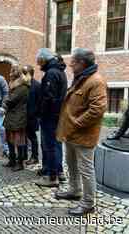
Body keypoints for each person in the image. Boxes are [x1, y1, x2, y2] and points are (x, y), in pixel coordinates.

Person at [55, 48, 107, 216]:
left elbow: (97, 109)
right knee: (71, 164)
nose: (70, 65)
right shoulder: (81, 78)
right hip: (71, 133)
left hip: (83, 135)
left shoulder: (95, 81)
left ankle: (88, 203)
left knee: (86, 169)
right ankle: (74, 190)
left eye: (74, 62)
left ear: (82, 63)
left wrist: (77, 123)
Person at [34, 48, 68, 187]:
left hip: (50, 117)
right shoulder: (59, 71)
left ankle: (51, 177)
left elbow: (49, 98)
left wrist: (42, 113)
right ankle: (58, 171)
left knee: (50, 146)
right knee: (56, 144)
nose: (38, 64)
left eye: (39, 61)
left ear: (44, 59)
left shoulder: (51, 73)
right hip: (57, 115)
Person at [3, 64, 30, 171]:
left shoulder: (22, 87)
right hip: (11, 116)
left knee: (18, 141)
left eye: (13, 71)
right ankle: (12, 160)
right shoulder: (14, 86)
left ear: (17, 74)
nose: (10, 73)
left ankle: (20, 163)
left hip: (18, 116)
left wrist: (5, 100)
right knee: (9, 140)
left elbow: (11, 100)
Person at [22, 65, 41, 165]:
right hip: (23, 116)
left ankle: (35, 157)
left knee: (32, 137)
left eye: (24, 73)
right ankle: (23, 155)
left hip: (32, 117)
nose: (22, 75)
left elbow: (40, 102)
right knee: (23, 136)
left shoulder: (37, 85)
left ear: (30, 74)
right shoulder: (23, 85)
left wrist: (36, 115)